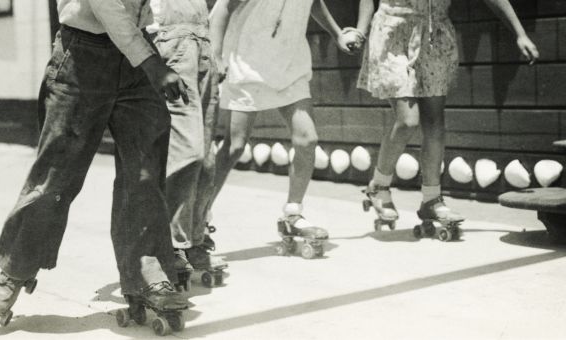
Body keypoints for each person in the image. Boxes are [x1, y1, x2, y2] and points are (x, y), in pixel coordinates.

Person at [0, 0, 189, 327]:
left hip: (137, 54)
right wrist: (153, 64)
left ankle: (148, 274)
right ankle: (15, 269)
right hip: (83, 54)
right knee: (56, 177)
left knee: (144, 177)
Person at [346, 0, 539, 231]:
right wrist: (360, 30)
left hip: (434, 34)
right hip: (392, 32)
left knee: (435, 122)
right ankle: (379, 185)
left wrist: (520, 33)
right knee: (408, 120)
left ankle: (431, 199)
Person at [207, 0, 355, 257]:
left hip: (290, 64)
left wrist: (338, 34)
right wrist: (216, 55)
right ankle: (198, 216)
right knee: (235, 146)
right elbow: (222, 9)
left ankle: (292, 215)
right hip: (247, 63)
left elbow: (315, 4)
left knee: (307, 140)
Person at [148, 0, 227, 289]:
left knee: (206, 162)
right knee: (187, 152)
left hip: (202, 44)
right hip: (169, 43)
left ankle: (194, 240)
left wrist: (214, 49)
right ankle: (169, 246)